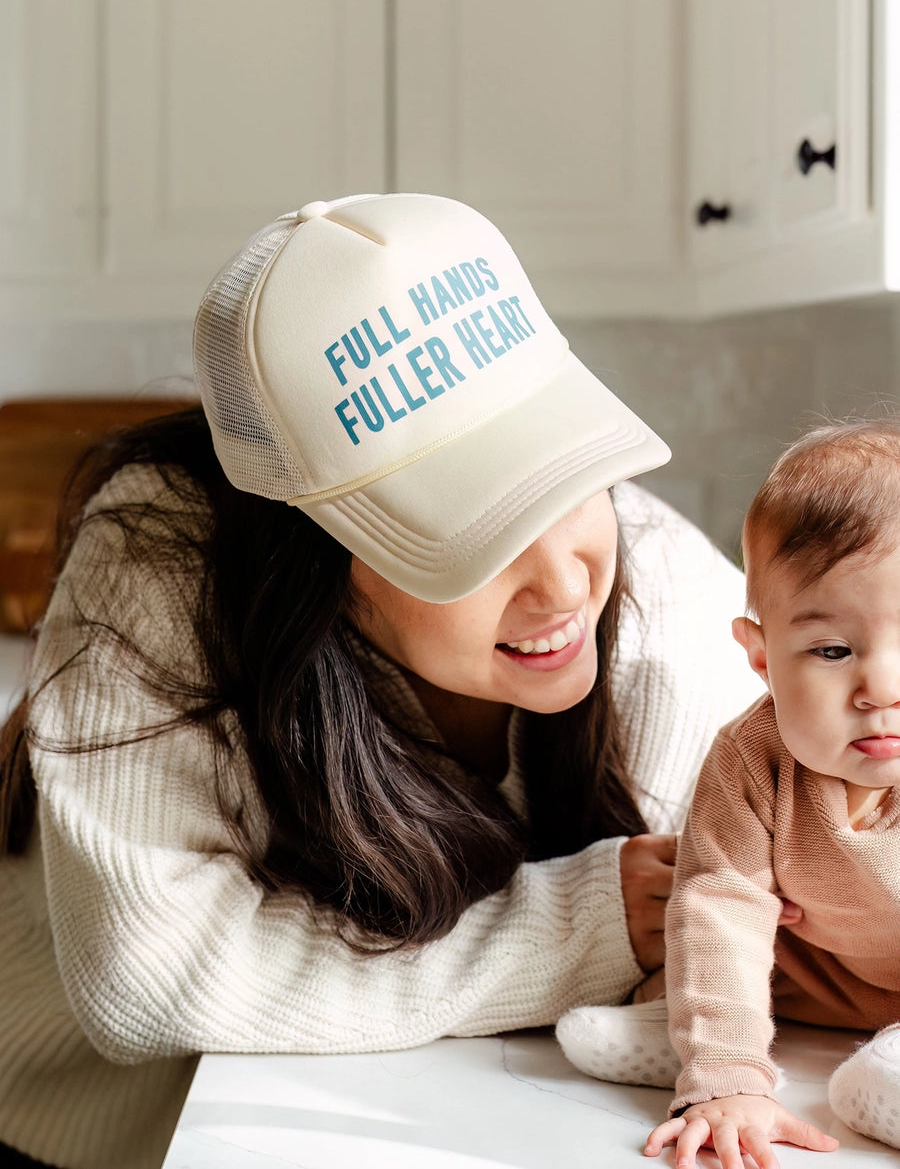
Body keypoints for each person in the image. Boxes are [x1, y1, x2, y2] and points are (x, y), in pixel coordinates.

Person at [0, 193, 761, 1169]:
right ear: (312, 549)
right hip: (82, 1135)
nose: (567, 579)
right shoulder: (158, 557)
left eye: (572, 475)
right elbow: (147, 976)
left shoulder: (670, 592)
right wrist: (588, 923)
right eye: (477, 526)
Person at [557, 417, 900, 1168]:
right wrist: (725, 1080)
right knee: (710, 935)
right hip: (812, 976)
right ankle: (695, 1032)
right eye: (833, 651)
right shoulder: (753, 759)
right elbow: (721, 905)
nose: (883, 689)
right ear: (761, 655)